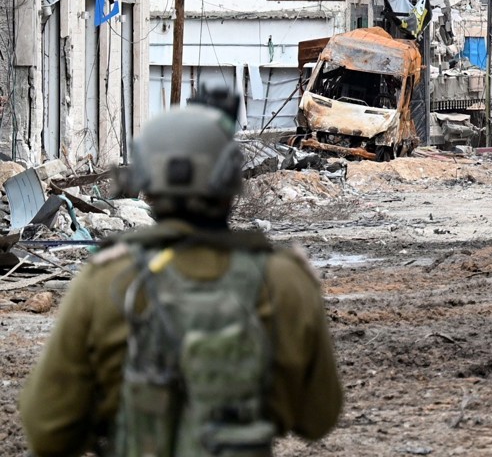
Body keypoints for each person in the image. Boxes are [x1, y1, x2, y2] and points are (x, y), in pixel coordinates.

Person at [19, 105, 343, 457]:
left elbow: (47, 431)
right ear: (231, 188)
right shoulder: (285, 281)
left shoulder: (107, 281)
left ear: (150, 190)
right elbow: (319, 417)